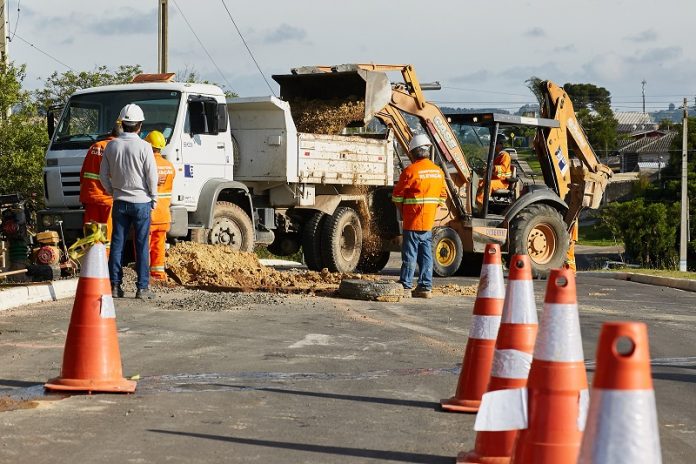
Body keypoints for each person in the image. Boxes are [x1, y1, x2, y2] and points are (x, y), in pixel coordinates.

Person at [100, 104, 158, 299]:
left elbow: (102, 176)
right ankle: (142, 288)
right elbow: (151, 176)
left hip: (119, 201)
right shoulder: (145, 147)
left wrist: (113, 191)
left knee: (117, 244)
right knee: (142, 245)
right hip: (141, 202)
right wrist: (154, 197)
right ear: (140, 125)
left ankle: (115, 286)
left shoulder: (111, 146)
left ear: (122, 123)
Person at [392, 134, 447, 299]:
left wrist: (403, 210)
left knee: (409, 254)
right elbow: (442, 197)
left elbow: (396, 197)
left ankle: (406, 285)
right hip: (428, 222)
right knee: (426, 255)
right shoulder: (438, 172)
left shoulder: (410, 171)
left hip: (412, 220)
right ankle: (425, 287)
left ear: (413, 153)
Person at [79, 123, 122, 245]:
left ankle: (92, 261)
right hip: (108, 199)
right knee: (107, 235)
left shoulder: (95, 146)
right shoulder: (117, 148)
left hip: (91, 197)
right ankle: (105, 261)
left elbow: (83, 173)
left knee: (92, 234)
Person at [144, 130, 175, 280]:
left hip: (149, 214)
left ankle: (144, 274)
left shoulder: (146, 164)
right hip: (164, 215)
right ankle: (158, 273)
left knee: (144, 245)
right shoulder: (170, 166)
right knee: (159, 245)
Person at [476, 134, 512, 208]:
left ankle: (479, 203)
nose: (493, 145)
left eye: (495, 143)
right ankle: (471, 201)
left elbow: (503, 168)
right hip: (494, 178)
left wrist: (492, 167)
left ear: (500, 144)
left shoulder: (505, 155)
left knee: (488, 184)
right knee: (478, 183)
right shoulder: (496, 155)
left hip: (502, 182)